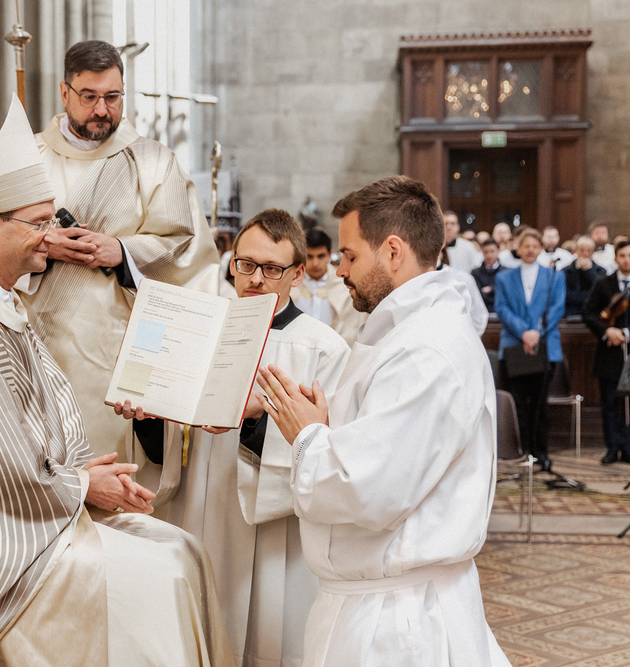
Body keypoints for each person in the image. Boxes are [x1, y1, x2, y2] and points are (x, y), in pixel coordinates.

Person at [0, 96, 233, 667]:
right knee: (164, 573)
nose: (49, 237)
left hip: (25, 515)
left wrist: (84, 474)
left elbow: (20, 430)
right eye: (37, 224)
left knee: (184, 550)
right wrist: (80, 487)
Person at [248, 176, 507, 666]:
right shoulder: (406, 332)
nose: (340, 270)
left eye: (349, 255)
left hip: (399, 624)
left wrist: (307, 433)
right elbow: (380, 436)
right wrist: (306, 418)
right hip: (378, 601)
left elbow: (368, 488)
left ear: (392, 251)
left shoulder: (426, 349)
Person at [20, 40, 220, 480]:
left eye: (112, 97)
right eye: (89, 96)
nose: (101, 110)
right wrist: (43, 244)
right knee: (42, 478)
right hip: (35, 351)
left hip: (121, 356)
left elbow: (189, 249)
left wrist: (124, 251)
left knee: (120, 483)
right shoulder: (27, 159)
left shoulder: (153, 162)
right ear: (64, 92)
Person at [157, 210, 349, 666]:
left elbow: (328, 451)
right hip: (201, 504)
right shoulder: (201, 332)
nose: (256, 279)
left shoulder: (322, 347)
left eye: (271, 269)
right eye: (245, 265)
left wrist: (257, 419)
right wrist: (149, 415)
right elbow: (171, 432)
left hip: (274, 532)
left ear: (297, 274)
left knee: (269, 639)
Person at [495, 228, 566, 471]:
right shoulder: (504, 278)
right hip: (515, 346)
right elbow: (502, 309)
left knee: (539, 403)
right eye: (526, 245)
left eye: (535, 246)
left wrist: (536, 333)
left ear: (541, 249)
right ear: (518, 248)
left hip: (544, 346)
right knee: (517, 403)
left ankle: (539, 452)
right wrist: (524, 332)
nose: (531, 250)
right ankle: (520, 449)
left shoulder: (554, 276)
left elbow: (556, 308)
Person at [582, 239, 630, 464]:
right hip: (609, 353)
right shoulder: (603, 283)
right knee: (609, 403)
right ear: (615, 258)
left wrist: (626, 333)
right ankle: (612, 447)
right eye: (623, 256)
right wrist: (607, 331)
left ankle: (628, 447)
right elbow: (588, 313)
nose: (627, 260)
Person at [292, 227, 368, 346]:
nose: (315, 263)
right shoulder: (290, 285)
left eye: (320, 256)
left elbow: (351, 327)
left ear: (329, 254)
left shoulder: (344, 285)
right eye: (310, 256)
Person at [563, 236, 607, 318]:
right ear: (576, 251)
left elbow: (601, 293)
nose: (585, 254)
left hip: (594, 313)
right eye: (582, 250)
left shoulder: (601, 271)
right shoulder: (565, 271)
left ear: (593, 252)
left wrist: (589, 271)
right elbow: (567, 295)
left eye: (589, 251)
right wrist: (589, 296)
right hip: (570, 313)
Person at [472, 238, 501, 313]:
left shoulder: (506, 272)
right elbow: (476, 295)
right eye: (486, 252)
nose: (489, 255)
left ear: (498, 251)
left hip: (501, 311)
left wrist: (491, 289)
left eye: (492, 251)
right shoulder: (475, 273)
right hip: (481, 311)